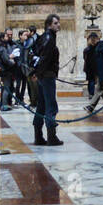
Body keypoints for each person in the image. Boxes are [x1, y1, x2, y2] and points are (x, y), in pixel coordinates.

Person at [31, 14, 63, 146]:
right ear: (49, 25)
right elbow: (45, 58)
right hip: (47, 75)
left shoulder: (44, 37)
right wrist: (39, 73)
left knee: (41, 106)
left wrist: (37, 73)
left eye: (58, 22)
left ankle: (38, 136)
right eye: (55, 23)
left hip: (43, 75)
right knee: (51, 106)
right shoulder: (50, 38)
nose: (58, 25)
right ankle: (52, 137)